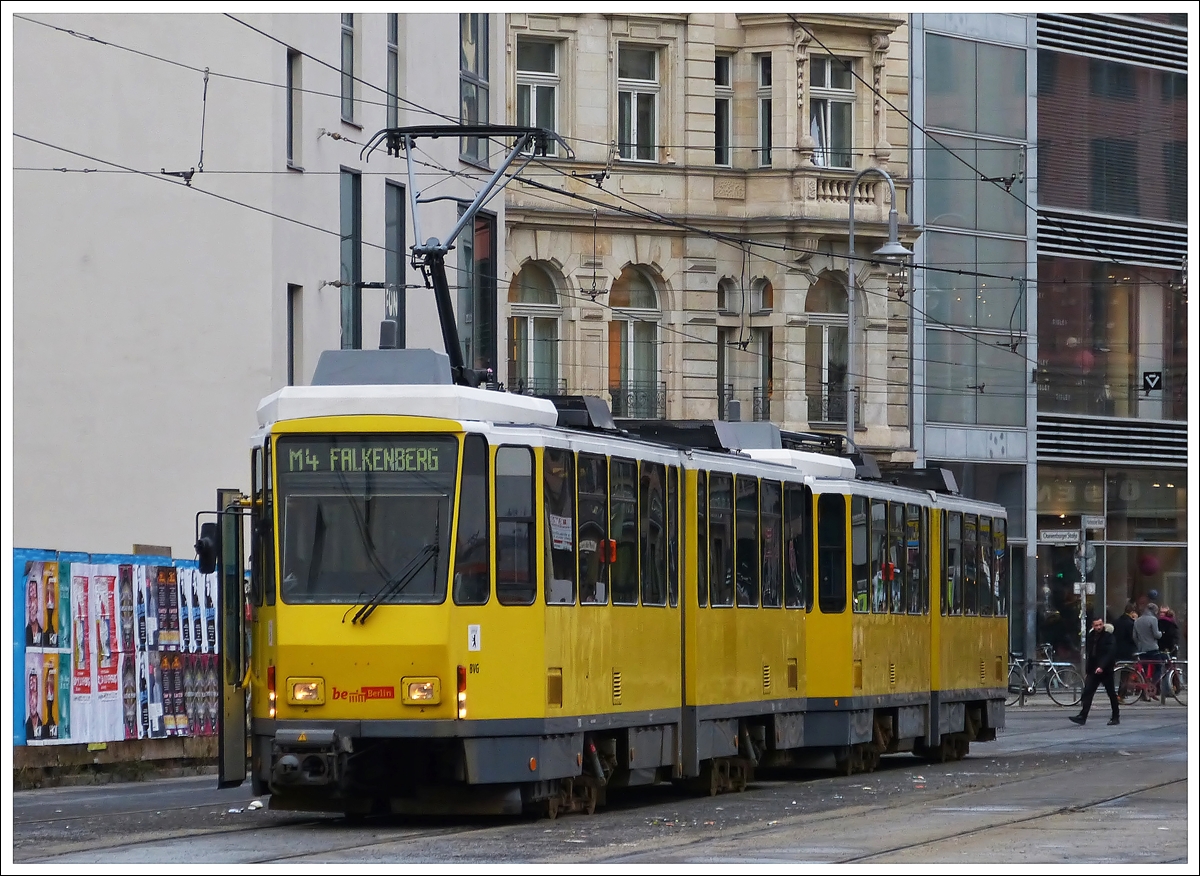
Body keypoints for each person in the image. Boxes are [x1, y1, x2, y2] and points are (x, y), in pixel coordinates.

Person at [1070, 617, 1120, 726]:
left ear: (1103, 625)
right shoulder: (1091, 637)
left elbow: (1110, 653)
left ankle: (1116, 716)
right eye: (1096, 625)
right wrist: (1089, 669)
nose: (1098, 627)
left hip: (1105, 670)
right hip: (1094, 669)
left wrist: (1102, 666)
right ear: (1093, 626)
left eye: (1100, 625)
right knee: (1088, 692)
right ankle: (1083, 716)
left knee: (1111, 693)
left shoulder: (1108, 637)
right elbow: (1091, 655)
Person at [1134, 602, 1164, 684]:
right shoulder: (1153, 619)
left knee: (1144, 669)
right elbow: (1156, 634)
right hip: (1152, 648)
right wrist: (1161, 633)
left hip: (1142, 649)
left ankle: (1145, 689)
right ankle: (1154, 687)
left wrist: (1139, 644)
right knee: (1158, 666)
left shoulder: (1137, 620)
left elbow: (1134, 636)